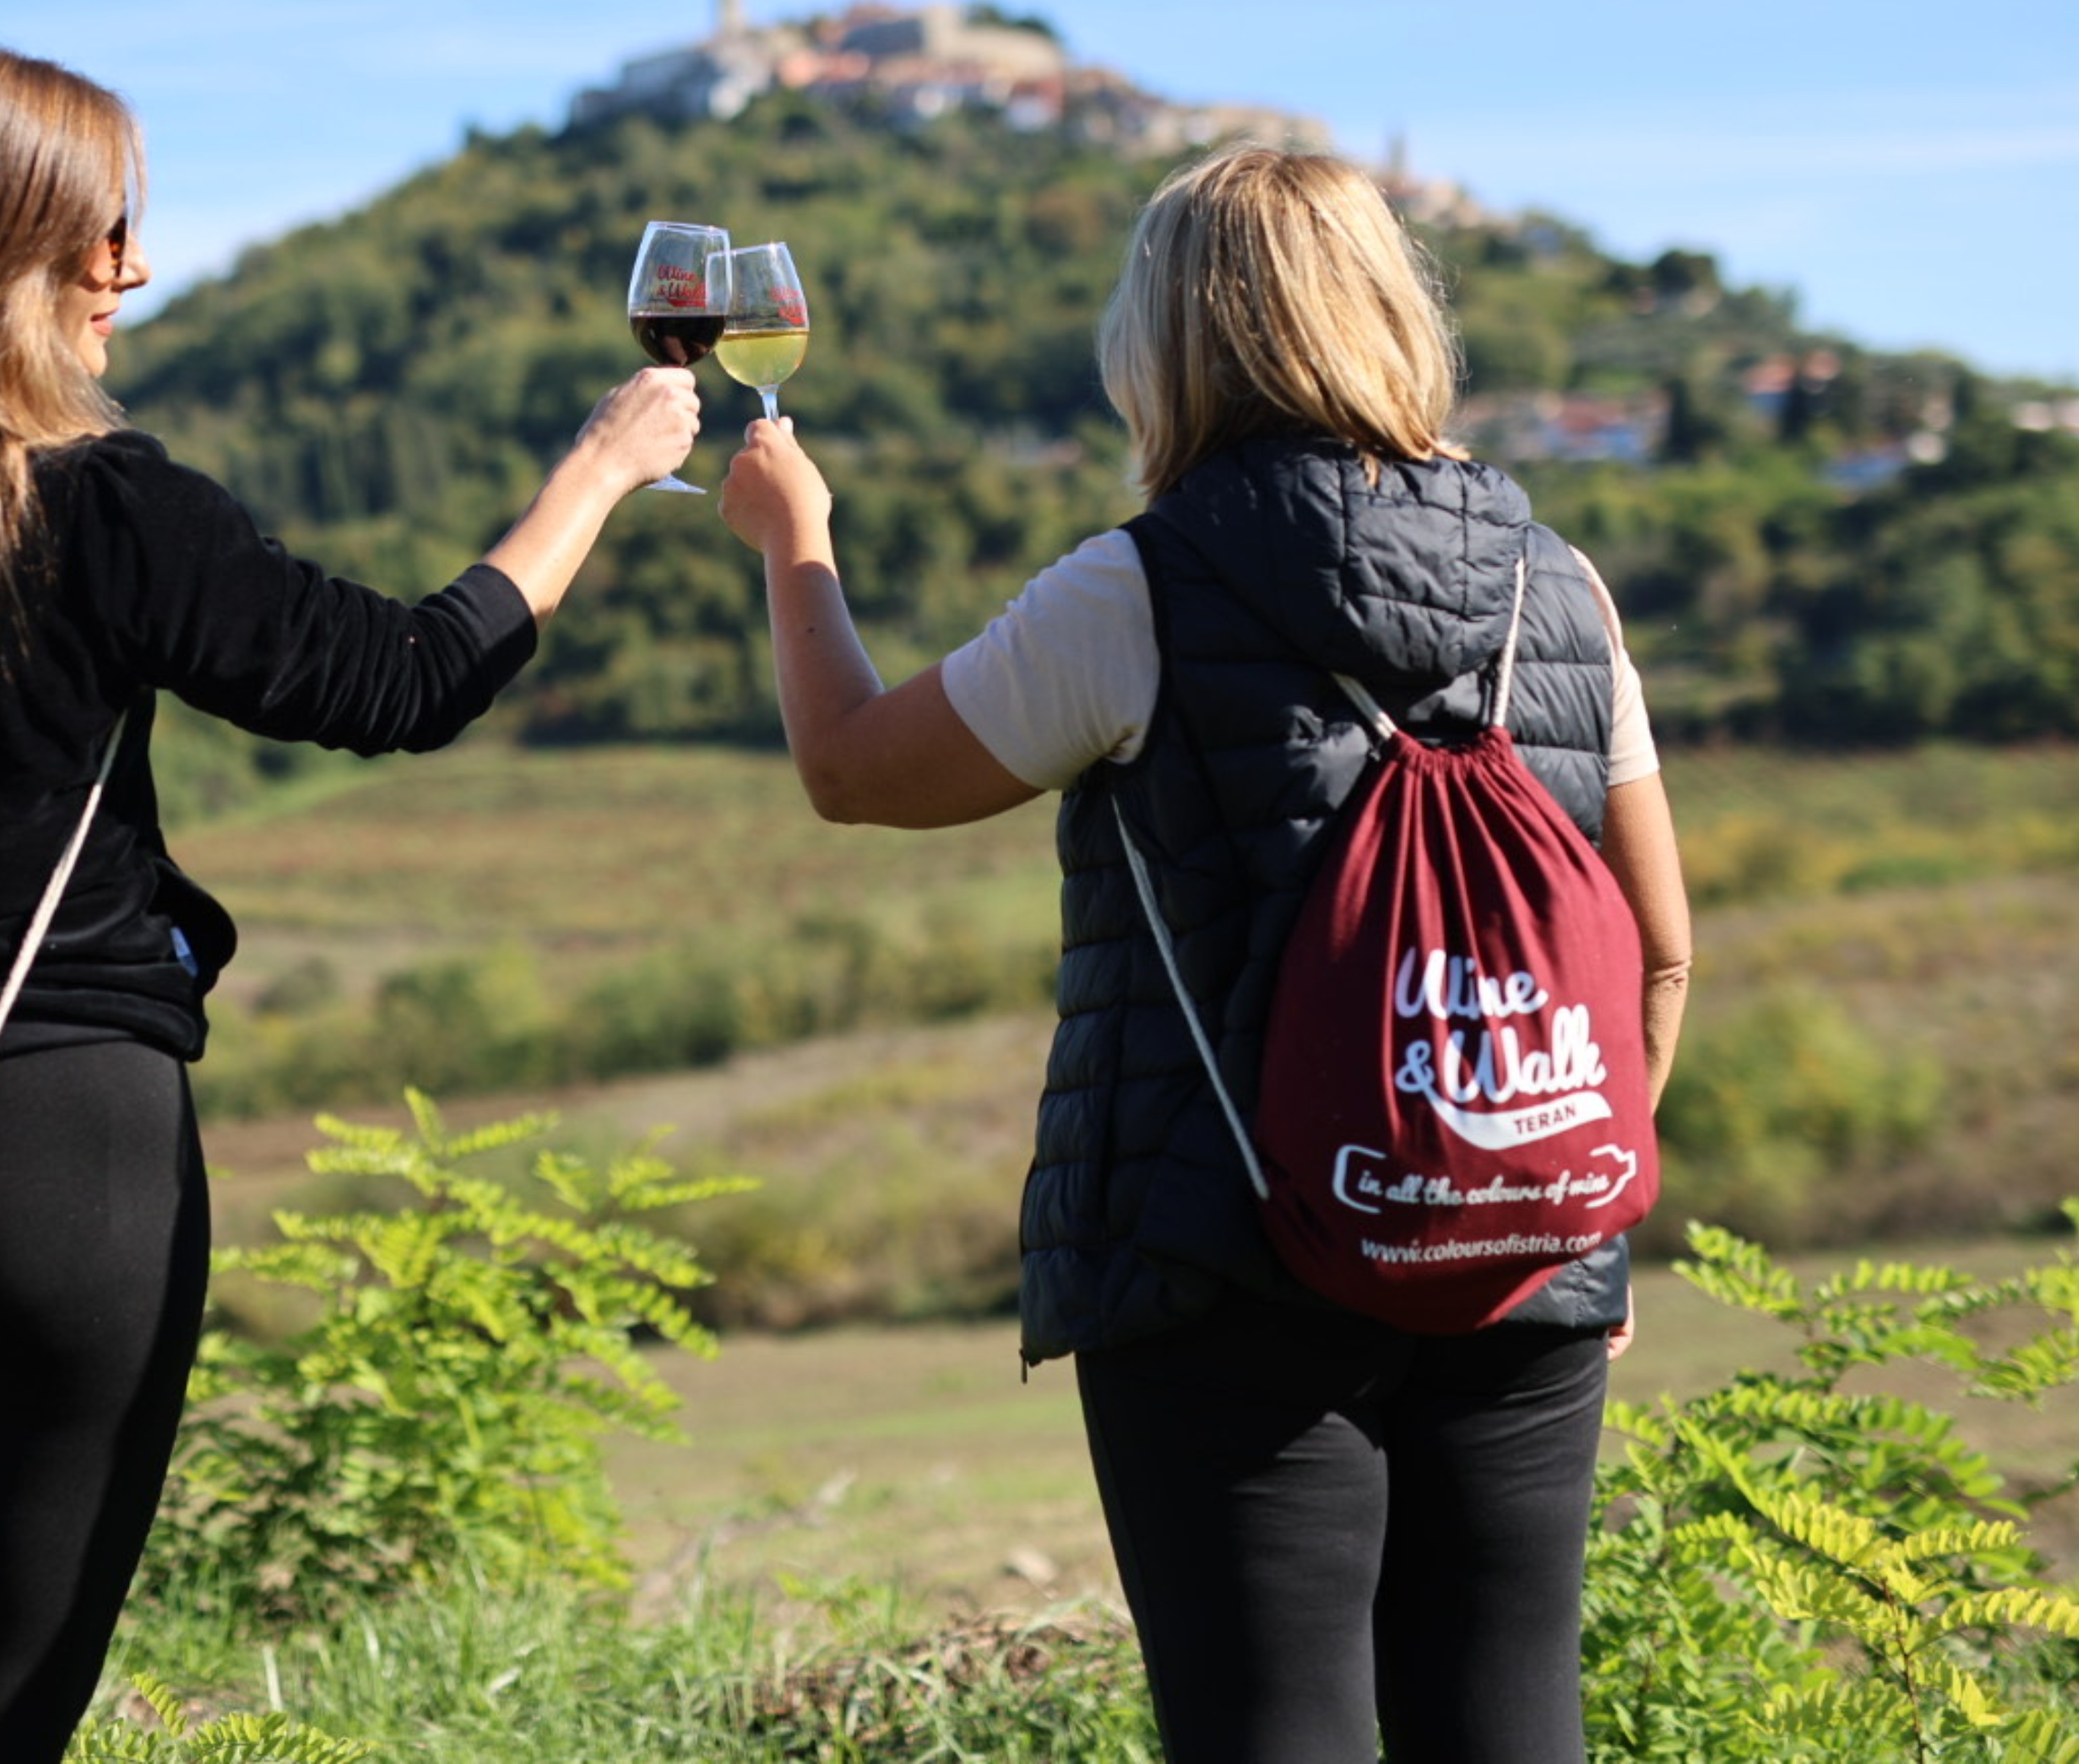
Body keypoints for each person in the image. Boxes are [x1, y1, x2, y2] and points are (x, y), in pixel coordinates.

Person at [0, 37, 700, 1764]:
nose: (133, 269)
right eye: (103, 229)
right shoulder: (95, 502)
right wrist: (598, 476)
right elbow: (394, 682)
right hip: (50, 1152)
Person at [718, 144, 1691, 1764]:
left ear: (1165, 342)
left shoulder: (1138, 589)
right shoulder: (1564, 589)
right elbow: (1656, 952)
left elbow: (854, 774)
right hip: (1525, 1255)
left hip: (1222, 1266)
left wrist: (790, 544)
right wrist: (1560, 1204)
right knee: (1511, 1722)